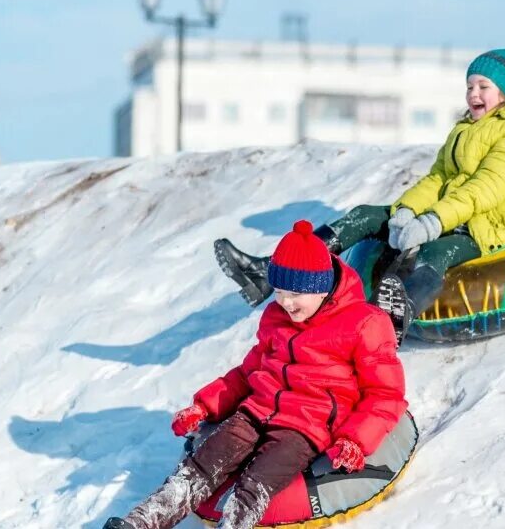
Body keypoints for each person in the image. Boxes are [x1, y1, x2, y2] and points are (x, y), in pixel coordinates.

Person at [215, 45, 505, 337]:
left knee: (435, 253)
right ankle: (267, 270)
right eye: (469, 86)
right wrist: (406, 210)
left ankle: (394, 320)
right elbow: (437, 178)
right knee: (366, 217)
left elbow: (485, 188)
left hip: (489, 224)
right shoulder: (465, 129)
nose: (474, 93)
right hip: (451, 212)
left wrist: (433, 222)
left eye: (483, 86)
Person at [104, 220, 406, 529]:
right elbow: (249, 371)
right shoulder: (276, 317)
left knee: (254, 485)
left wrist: (354, 440)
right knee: (200, 467)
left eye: (295, 293)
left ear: (321, 287)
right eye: (278, 292)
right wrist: (204, 406)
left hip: (304, 428)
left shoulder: (362, 324)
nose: (286, 302)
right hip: (256, 412)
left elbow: (384, 394)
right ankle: (140, 522)